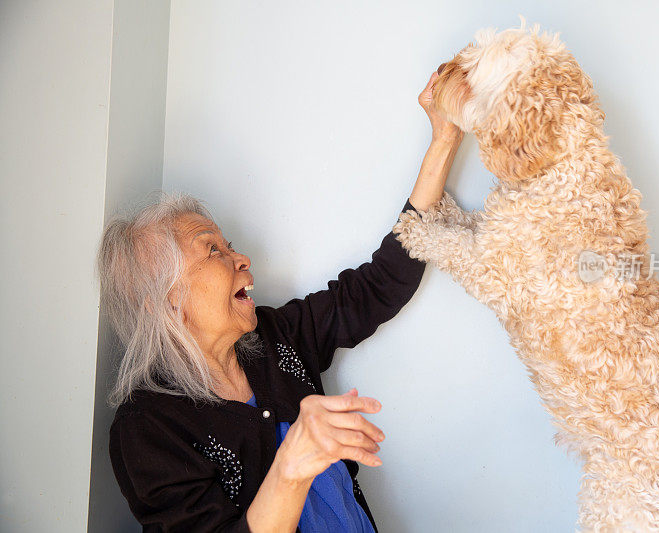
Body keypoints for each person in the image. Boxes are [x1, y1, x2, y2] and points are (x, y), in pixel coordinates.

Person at [98, 68, 463, 532]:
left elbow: (381, 283)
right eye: (214, 250)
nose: (242, 257)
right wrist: (292, 464)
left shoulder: (277, 337)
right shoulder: (147, 428)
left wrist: (444, 137)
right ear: (167, 302)